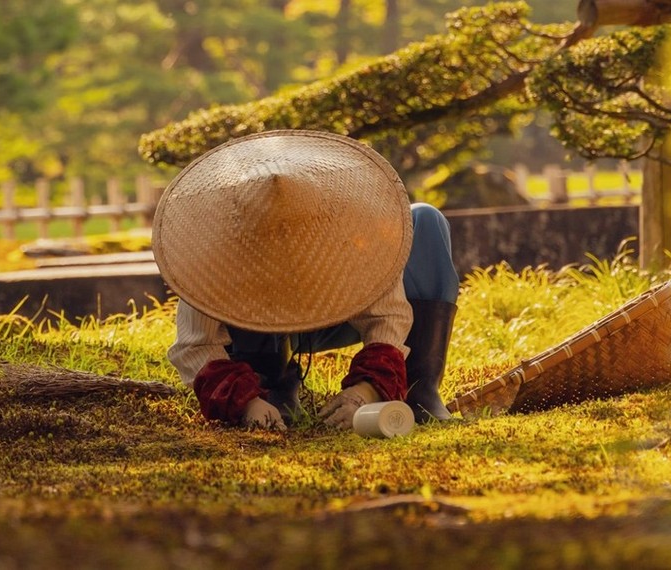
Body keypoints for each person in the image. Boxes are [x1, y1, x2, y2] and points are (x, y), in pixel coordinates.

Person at [152, 130, 460, 430]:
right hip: (260, 338)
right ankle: (273, 385)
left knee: (427, 219)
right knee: (261, 379)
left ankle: (419, 390)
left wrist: (368, 388)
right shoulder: (213, 252)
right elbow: (196, 344)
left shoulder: (353, 227)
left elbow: (387, 317)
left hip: (340, 319)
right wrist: (246, 401)